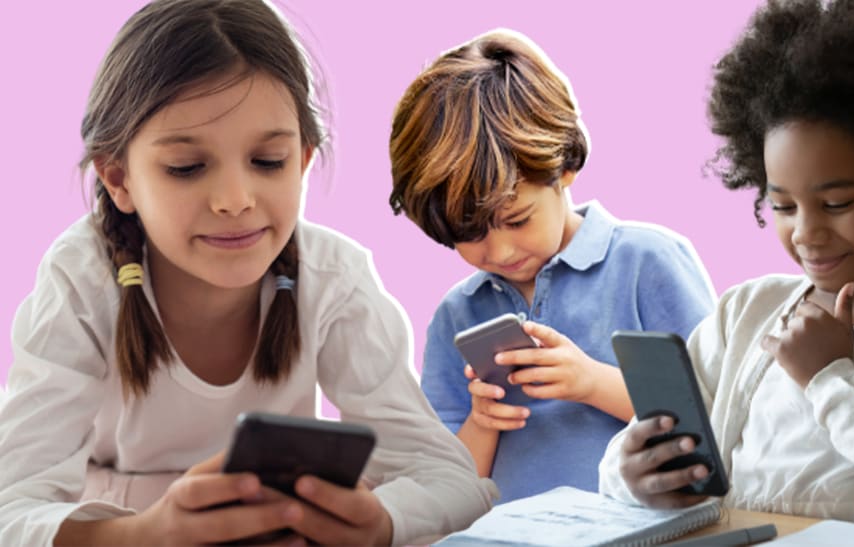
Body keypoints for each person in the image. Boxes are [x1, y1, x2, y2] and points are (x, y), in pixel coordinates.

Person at [0, 1, 494, 545]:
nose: (236, 201)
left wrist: (380, 521)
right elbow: (11, 508)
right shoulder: (82, 282)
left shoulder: (333, 279)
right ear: (119, 179)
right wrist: (148, 536)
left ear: (303, 161)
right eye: (186, 168)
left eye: (268, 162)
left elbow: (450, 478)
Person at [598, 0, 854, 538]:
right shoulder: (743, 315)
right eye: (784, 206)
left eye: (837, 204)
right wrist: (630, 475)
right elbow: (632, 463)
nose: (805, 233)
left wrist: (832, 378)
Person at [388, 29, 715, 503]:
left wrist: (592, 383)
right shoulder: (456, 316)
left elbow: (716, 417)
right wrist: (482, 424)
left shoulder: (647, 263)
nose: (499, 252)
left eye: (516, 219)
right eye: (469, 233)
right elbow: (445, 487)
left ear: (564, 166)